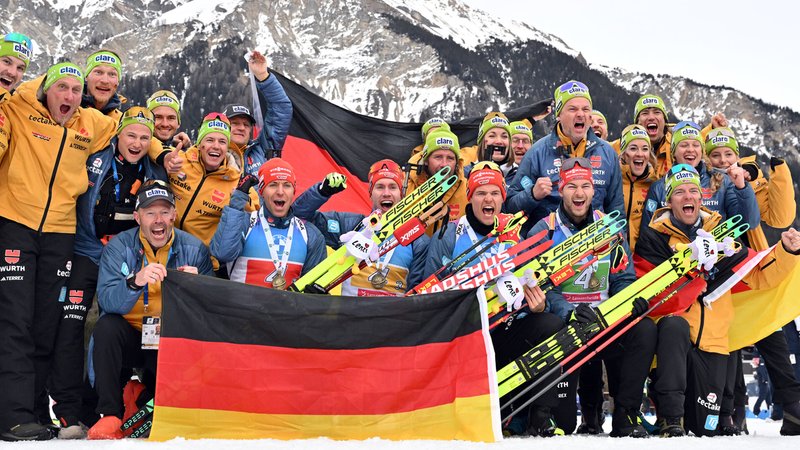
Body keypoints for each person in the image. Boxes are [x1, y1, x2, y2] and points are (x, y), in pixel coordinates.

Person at [634, 164, 800, 437]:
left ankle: (706, 415)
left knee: (704, 428)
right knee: (673, 327)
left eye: (693, 191)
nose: (687, 197)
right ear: (669, 201)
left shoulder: (723, 235)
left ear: (701, 198)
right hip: (675, 341)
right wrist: (688, 262)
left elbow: (759, 274)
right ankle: (670, 417)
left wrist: (786, 251)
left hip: (712, 343)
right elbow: (651, 289)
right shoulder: (654, 236)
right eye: (679, 192)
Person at [0, 62, 117, 441]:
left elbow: (128, 127)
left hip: (60, 233)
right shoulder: (19, 105)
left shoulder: (89, 122)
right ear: (45, 89)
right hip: (15, 223)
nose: (68, 96)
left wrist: (161, 151)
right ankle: (12, 415)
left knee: (45, 324)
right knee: (15, 320)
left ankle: (34, 411)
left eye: (75, 90)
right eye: (60, 87)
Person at [46, 107, 167, 438]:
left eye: (144, 137)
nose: (137, 143)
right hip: (87, 252)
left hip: (129, 258)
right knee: (72, 327)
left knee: (115, 326)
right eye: (131, 135)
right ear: (118, 135)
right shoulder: (97, 157)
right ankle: (70, 411)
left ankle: (116, 404)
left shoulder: (155, 168)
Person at [424, 162, 567, 436]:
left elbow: (533, 285)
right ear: (470, 197)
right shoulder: (449, 234)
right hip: (463, 334)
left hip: (503, 329)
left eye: (494, 193)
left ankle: (540, 417)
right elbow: (429, 289)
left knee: (549, 324)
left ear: (503, 199)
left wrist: (540, 305)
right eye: (480, 193)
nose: (488, 199)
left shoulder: (515, 237)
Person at [527, 157, 653, 437]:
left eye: (585, 186)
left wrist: (627, 302)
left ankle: (626, 415)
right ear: (561, 189)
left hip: (605, 320)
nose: (579, 193)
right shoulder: (545, 230)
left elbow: (622, 277)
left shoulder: (610, 228)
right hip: (567, 326)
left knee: (643, 328)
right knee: (565, 424)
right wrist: (568, 312)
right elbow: (541, 287)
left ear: (594, 191)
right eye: (572, 186)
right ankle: (562, 412)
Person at [86, 181, 212, 440]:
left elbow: (210, 309)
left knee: (163, 411)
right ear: (137, 217)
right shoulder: (118, 247)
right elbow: (108, 301)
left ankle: (138, 394)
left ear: (174, 215)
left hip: (169, 339)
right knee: (107, 327)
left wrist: (198, 286)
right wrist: (135, 281)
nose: (158, 220)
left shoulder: (195, 249)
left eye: (164, 212)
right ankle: (110, 414)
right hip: (131, 334)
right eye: (150, 212)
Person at [706, 127, 800, 434]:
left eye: (728, 154)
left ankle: (793, 407)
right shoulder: (700, 184)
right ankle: (733, 412)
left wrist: (777, 175)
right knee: (728, 341)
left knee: (769, 332)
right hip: (720, 275)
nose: (722, 160)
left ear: (738, 156)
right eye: (716, 155)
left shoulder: (750, 177)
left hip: (751, 269)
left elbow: (780, 216)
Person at [292, 159, 429, 295]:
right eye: (380, 187)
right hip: (350, 309)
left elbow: (416, 293)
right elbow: (299, 217)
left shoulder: (416, 238)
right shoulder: (350, 224)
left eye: (393, 187)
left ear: (401, 194)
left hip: (393, 309)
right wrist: (322, 192)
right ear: (370, 193)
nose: (386, 193)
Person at [506, 80, 624, 226]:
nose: (580, 114)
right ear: (559, 115)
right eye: (573, 109)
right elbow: (510, 207)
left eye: (586, 109)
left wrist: (618, 238)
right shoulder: (537, 152)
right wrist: (532, 194)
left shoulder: (607, 153)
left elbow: (617, 210)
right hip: (551, 238)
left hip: (595, 238)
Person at [210, 158, 326, 288]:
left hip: (286, 302)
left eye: (287, 185)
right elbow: (223, 253)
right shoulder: (244, 222)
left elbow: (314, 288)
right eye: (273, 185)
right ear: (261, 192)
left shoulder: (310, 234)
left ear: (294, 191)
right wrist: (237, 200)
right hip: (241, 301)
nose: (280, 192)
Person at [166, 112, 259, 273]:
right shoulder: (179, 161)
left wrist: (241, 201)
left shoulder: (236, 180)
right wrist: (166, 149)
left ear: (227, 147)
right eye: (209, 140)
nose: (216, 146)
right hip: (165, 251)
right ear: (200, 143)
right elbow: (152, 146)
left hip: (202, 263)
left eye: (222, 141)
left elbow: (257, 212)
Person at [640, 121, 761, 236]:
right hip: (673, 249)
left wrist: (742, 188)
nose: (690, 149)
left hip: (716, 249)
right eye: (684, 145)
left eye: (696, 145)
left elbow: (749, 223)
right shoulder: (658, 188)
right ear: (673, 152)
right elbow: (647, 232)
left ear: (701, 151)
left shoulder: (723, 182)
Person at [221, 50, 292, 177]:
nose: (241, 128)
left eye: (246, 125)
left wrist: (263, 75)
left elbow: (281, 109)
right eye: (235, 123)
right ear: (222, 127)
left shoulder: (264, 149)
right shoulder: (210, 154)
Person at [404, 129, 467, 229]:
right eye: (438, 157)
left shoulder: (467, 189)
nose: (444, 164)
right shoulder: (406, 185)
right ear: (426, 161)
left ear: (457, 162)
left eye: (450, 158)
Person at [619, 125, 658, 251]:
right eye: (633, 148)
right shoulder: (613, 180)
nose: (640, 154)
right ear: (624, 153)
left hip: (642, 257)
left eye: (645, 149)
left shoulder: (655, 185)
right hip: (614, 254)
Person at [81, 50, 125, 121]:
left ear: (118, 81)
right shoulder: (67, 113)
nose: (105, 81)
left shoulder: (122, 122)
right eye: (98, 72)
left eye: (112, 74)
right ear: (86, 76)